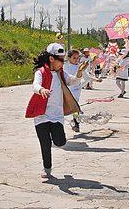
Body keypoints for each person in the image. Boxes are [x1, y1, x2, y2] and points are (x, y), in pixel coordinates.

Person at [26, 43, 86, 179]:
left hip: (56, 115)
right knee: (45, 144)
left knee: (60, 142)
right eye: (61, 59)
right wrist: (41, 90)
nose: (62, 62)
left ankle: (55, 138)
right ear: (52, 59)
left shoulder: (61, 73)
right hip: (41, 115)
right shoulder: (40, 72)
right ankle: (47, 169)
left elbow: (73, 81)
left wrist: (79, 73)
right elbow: (35, 85)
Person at [64, 49, 83, 132]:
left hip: (75, 90)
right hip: (66, 89)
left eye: (78, 58)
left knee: (75, 107)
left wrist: (96, 79)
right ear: (68, 58)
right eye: (74, 58)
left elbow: (86, 76)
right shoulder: (64, 66)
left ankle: (76, 123)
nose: (76, 60)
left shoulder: (80, 66)